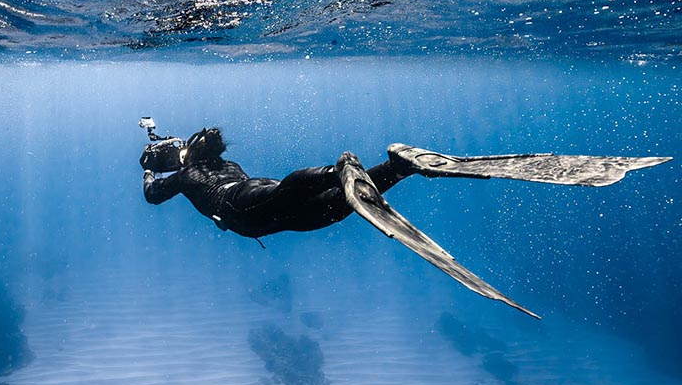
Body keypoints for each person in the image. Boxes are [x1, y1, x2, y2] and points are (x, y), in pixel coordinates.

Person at [141, 126, 670, 318]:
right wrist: (169, 146)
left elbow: (152, 193)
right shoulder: (213, 163)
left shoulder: (188, 177)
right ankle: (394, 167)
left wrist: (159, 161)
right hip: (267, 209)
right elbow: (185, 155)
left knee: (297, 195)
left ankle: (339, 166)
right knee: (341, 199)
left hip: (254, 215)